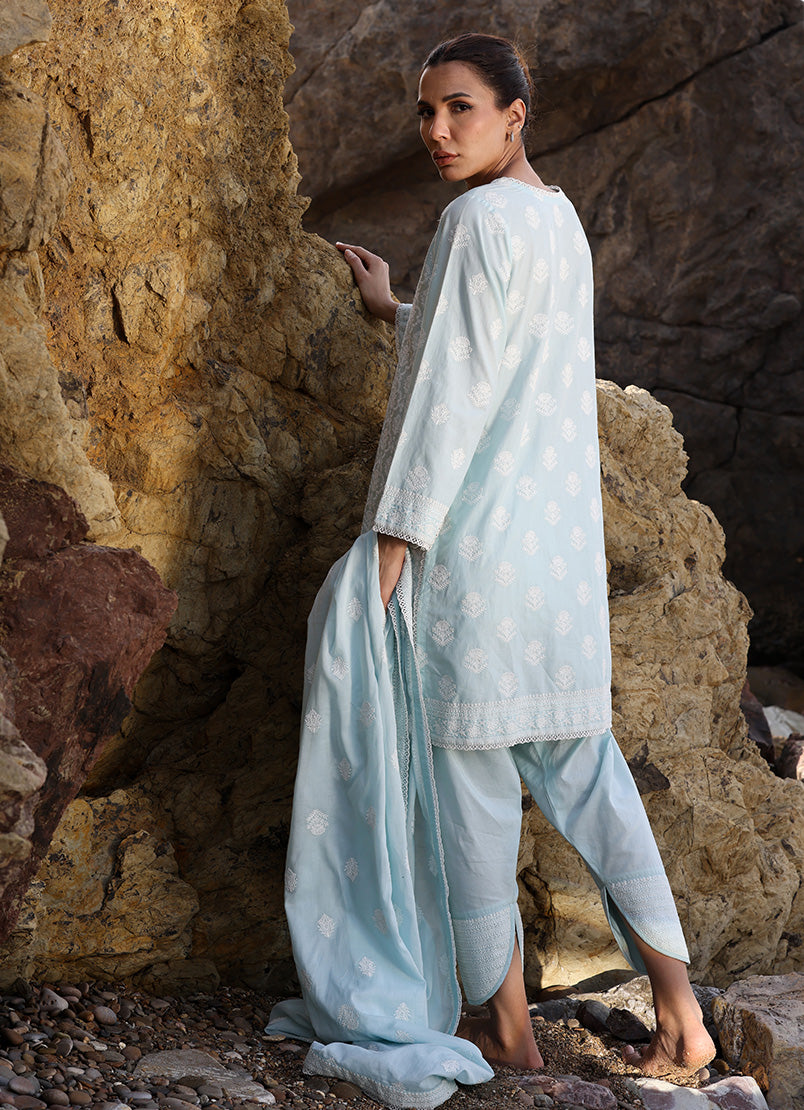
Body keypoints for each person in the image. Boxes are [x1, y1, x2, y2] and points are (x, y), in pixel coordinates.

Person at [268, 33, 714, 1108]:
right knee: (594, 784)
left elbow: (451, 397)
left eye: (458, 107)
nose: (436, 130)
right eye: (425, 112)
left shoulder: (474, 222)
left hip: (472, 566)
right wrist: (395, 311)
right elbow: (504, 355)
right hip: (554, 573)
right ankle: (685, 1016)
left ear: (517, 113)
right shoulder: (556, 221)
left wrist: (393, 540)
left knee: (469, 800)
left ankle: (510, 1034)